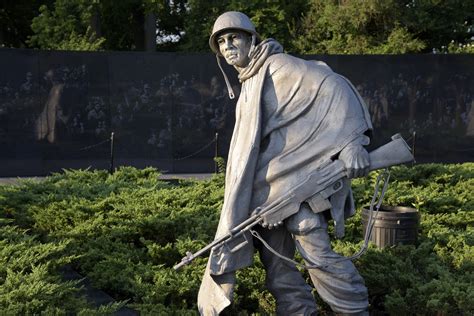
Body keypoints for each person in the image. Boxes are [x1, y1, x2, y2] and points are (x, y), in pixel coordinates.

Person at [198, 11, 373, 316]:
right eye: (221, 41)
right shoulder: (250, 79)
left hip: (299, 181)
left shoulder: (277, 66)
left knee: (315, 249)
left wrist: (351, 144)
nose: (227, 46)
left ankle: (354, 309)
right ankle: (298, 311)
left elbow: (333, 84)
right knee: (277, 262)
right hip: (265, 190)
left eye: (234, 37)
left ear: (251, 39)